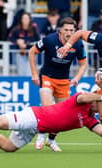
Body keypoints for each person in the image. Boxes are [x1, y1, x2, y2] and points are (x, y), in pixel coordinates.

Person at [0, 80, 102, 152]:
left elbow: (100, 130)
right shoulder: (81, 100)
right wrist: (100, 96)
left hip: (36, 128)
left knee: (9, 147)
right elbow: (86, 96)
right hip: (34, 116)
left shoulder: (89, 120)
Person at [28, 17, 87, 151]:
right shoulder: (49, 40)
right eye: (66, 30)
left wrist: (77, 77)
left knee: (62, 116)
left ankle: (51, 140)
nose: (69, 33)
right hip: (47, 77)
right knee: (48, 109)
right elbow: (32, 52)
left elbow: (83, 64)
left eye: (72, 30)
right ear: (60, 30)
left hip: (64, 81)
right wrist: (34, 74)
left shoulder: (78, 44)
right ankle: (41, 136)